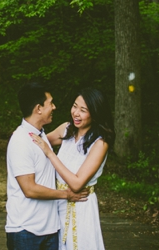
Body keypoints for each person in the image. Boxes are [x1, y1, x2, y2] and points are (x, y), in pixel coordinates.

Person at [6, 82, 89, 250]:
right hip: (26, 231)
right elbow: (29, 189)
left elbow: (72, 135)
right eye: (50, 103)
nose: (54, 107)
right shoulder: (20, 141)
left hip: (50, 229)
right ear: (38, 109)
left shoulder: (40, 135)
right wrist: (66, 194)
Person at [29, 88, 114, 250]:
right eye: (75, 106)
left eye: (83, 110)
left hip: (81, 204)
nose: (76, 113)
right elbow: (37, 142)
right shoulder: (66, 129)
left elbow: (77, 183)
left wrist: (49, 152)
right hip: (58, 202)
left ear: (95, 113)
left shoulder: (100, 143)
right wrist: (21, 135)